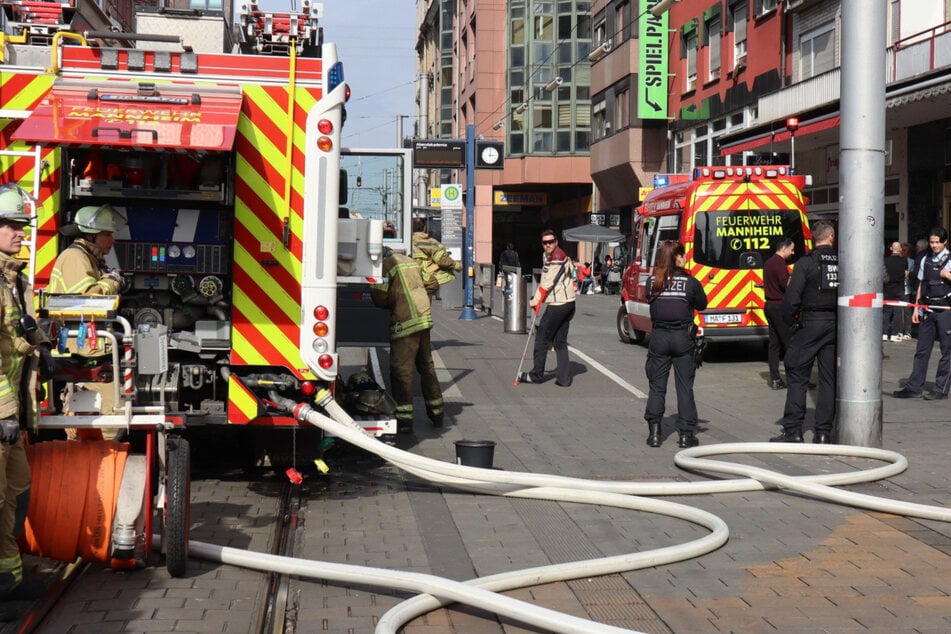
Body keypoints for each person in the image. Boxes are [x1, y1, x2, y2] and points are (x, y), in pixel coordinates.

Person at [0, 184, 52, 618]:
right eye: (14, 226)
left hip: (10, 413)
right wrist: (5, 411)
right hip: (1, 413)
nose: (22, 233)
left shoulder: (11, 278)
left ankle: (8, 582)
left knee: (15, 493)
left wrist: (43, 346)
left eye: (22, 226)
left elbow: (18, 329)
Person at [46, 204, 125, 441]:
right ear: (90, 235)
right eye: (107, 234)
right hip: (82, 349)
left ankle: (91, 461)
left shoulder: (88, 258)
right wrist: (112, 282)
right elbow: (89, 299)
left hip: (90, 348)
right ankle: (93, 467)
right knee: (106, 416)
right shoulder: (75, 258)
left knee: (100, 413)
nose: (112, 240)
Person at [771, 220, 838, 444]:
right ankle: (823, 433)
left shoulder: (806, 263)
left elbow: (791, 299)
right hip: (834, 323)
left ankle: (793, 430)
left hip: (810, 322)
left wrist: (791, 322)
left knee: (797, 373)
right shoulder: (841, 262)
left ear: (813, 239)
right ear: (831, 238)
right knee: (828, 379)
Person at [370, 250, 445, 433]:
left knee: (401, 370)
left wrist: (397, 299)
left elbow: (380, 297)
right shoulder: (412, 262)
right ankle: (437, 414)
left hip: (406, 323)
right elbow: (433, 282)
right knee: (426, 366)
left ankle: (404, 420)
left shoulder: (387, 265)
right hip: (423, 318)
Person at [643, 241, 708, 448]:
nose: (685, 257)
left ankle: (654, 433)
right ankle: (685, 435)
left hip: (659, 338)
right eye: (681, 255)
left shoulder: (652, 282)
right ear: (674, 258)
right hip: (682, 338)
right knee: (684, 388)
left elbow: (651, 301)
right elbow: (702, 304)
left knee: (656, 387)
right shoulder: (690, 282)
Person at [893, 227, 951, 400]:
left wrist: (947, 275)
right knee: (922, 349)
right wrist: (917, 308)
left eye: (937, 242)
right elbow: (921, 284)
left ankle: (941, 388)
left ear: (945, 242)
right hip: (927, 308)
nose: (934, 245)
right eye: (932, 242)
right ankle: (914, 386)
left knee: (947, 351)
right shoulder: (926, 259)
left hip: (946, 310)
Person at [519, 229, 576, 387]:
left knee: (541, 338)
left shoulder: (557, 257)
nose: (548, 245)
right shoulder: (549, 255)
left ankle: (536, 375)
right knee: (560, 341)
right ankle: (564, 379)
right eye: (545, 242)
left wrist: (535, 300)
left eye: (551, 241)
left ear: (556, 242)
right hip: (568, 303)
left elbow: (547, 283)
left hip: (559, 305)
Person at [763, 237, 795, 389]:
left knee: (774, 345)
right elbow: (786, 284)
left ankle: (775, 379)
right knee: (790, 344)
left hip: (769, 305)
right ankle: (795, 379)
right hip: (779, 306)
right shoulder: (779, 263)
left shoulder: (768, 262)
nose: (793, 252)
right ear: (784, 249)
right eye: (791, 249)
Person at [411, 217, 461, 290]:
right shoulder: (429, 242)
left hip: (411, 277)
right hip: (427, 278)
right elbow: (442, 259)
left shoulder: (408, 241)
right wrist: (457, 266)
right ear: (424, 228)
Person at [883, 241, 908, 343]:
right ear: (900, 249)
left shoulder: (886, 260)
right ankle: (894, 334)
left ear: (891, 249)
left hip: (888, 288)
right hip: (899, 288)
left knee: (886, 312)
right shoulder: (904, 261)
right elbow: (906, 274)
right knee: (897, 312)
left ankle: (884, 334)